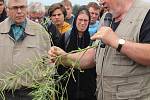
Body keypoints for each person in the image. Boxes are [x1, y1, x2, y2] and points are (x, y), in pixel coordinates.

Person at [49, 0, 150, 100]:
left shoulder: (145, 12)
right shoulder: (106, 18)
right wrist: (64, 58)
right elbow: (94, 56)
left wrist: (117, 42)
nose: (100, 2)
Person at [0, 0, 51, 99]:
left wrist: (45, 86)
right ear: (7, 10)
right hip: (3, 93)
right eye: (15, 8)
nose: (19, 11)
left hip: (32, 93)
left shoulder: (39, 31)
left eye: (22, 7)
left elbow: (49, 62)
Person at [58, 5, 96, 100]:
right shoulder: (65, 37)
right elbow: (59, 62)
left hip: (88, 89)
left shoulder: (93, 39)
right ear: (75, 20)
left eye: (85, 20)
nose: (82, 23)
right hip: (68, 88)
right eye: (80, 20)